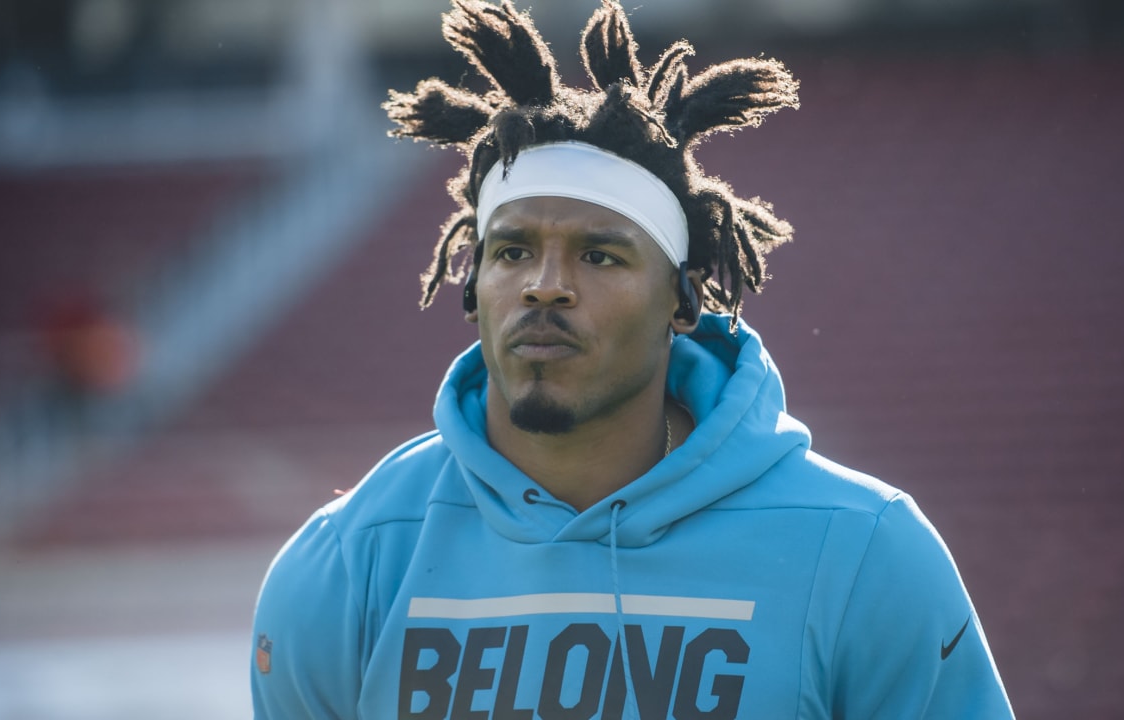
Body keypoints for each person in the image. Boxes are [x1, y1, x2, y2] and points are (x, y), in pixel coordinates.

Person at [250, 2, 1014, 718]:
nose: (546, 285)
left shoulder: (861, 550)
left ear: (681, 303)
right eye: (512, 251)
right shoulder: (350, 560)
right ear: (472, 289)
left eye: (600, 256)